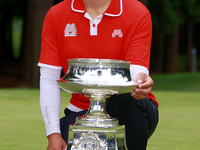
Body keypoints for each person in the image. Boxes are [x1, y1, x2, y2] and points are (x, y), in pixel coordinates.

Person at [38, 0, 159, 150]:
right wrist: (53, 134)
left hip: (129, 109)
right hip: (80, 111)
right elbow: (49, 79)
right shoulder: (56, 15)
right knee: (65, 134)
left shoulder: (137, 12)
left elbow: (135, 73)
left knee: (126, 99)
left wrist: (140, 82)